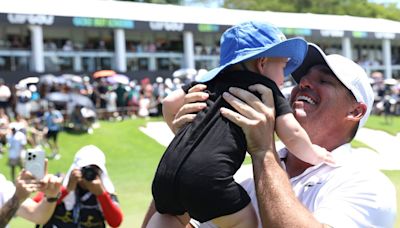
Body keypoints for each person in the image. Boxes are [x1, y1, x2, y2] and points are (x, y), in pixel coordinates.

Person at [151, 43, 397, 227]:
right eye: (300, 80)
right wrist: (186, 145)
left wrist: (263, 151)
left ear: (355, 111)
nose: (304, 85)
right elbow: (168, 217)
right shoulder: (241, 176)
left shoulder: (366, 184)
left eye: (324, 80)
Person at [149, 22, 333, 228]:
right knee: (245, 221)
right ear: (262, 63)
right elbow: (292, 133)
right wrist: (314, 153)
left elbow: (168, 102)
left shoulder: (211, 81)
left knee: (170, 216)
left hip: (166, 172)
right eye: (283, 67)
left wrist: (179, 131)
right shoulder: (264, 88)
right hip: (208, 178)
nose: (284, 77)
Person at [36, 145, 123, 227]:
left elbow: (115, 223)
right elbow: (36, 207)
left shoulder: (106, 190)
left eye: (94, 170)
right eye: (85, 169)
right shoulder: (58, 182)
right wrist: (66, 190)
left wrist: (102, 195)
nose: (89, 173)